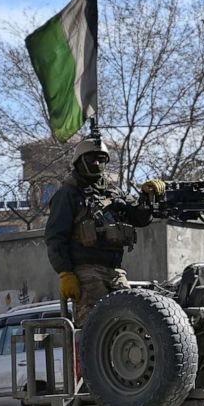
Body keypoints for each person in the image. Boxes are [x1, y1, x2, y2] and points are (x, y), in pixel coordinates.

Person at [45, 137, 165, 327]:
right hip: (86, 270)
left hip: (115, 271)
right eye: (92, 159)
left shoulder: (112, 192)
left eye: (102, 159)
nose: (98, 164)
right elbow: (55, 237)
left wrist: (147, 198)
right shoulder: (68, 194)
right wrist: (65, 273)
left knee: (131, 323)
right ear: (80, 161)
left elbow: (139, 218)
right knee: (96, 327)